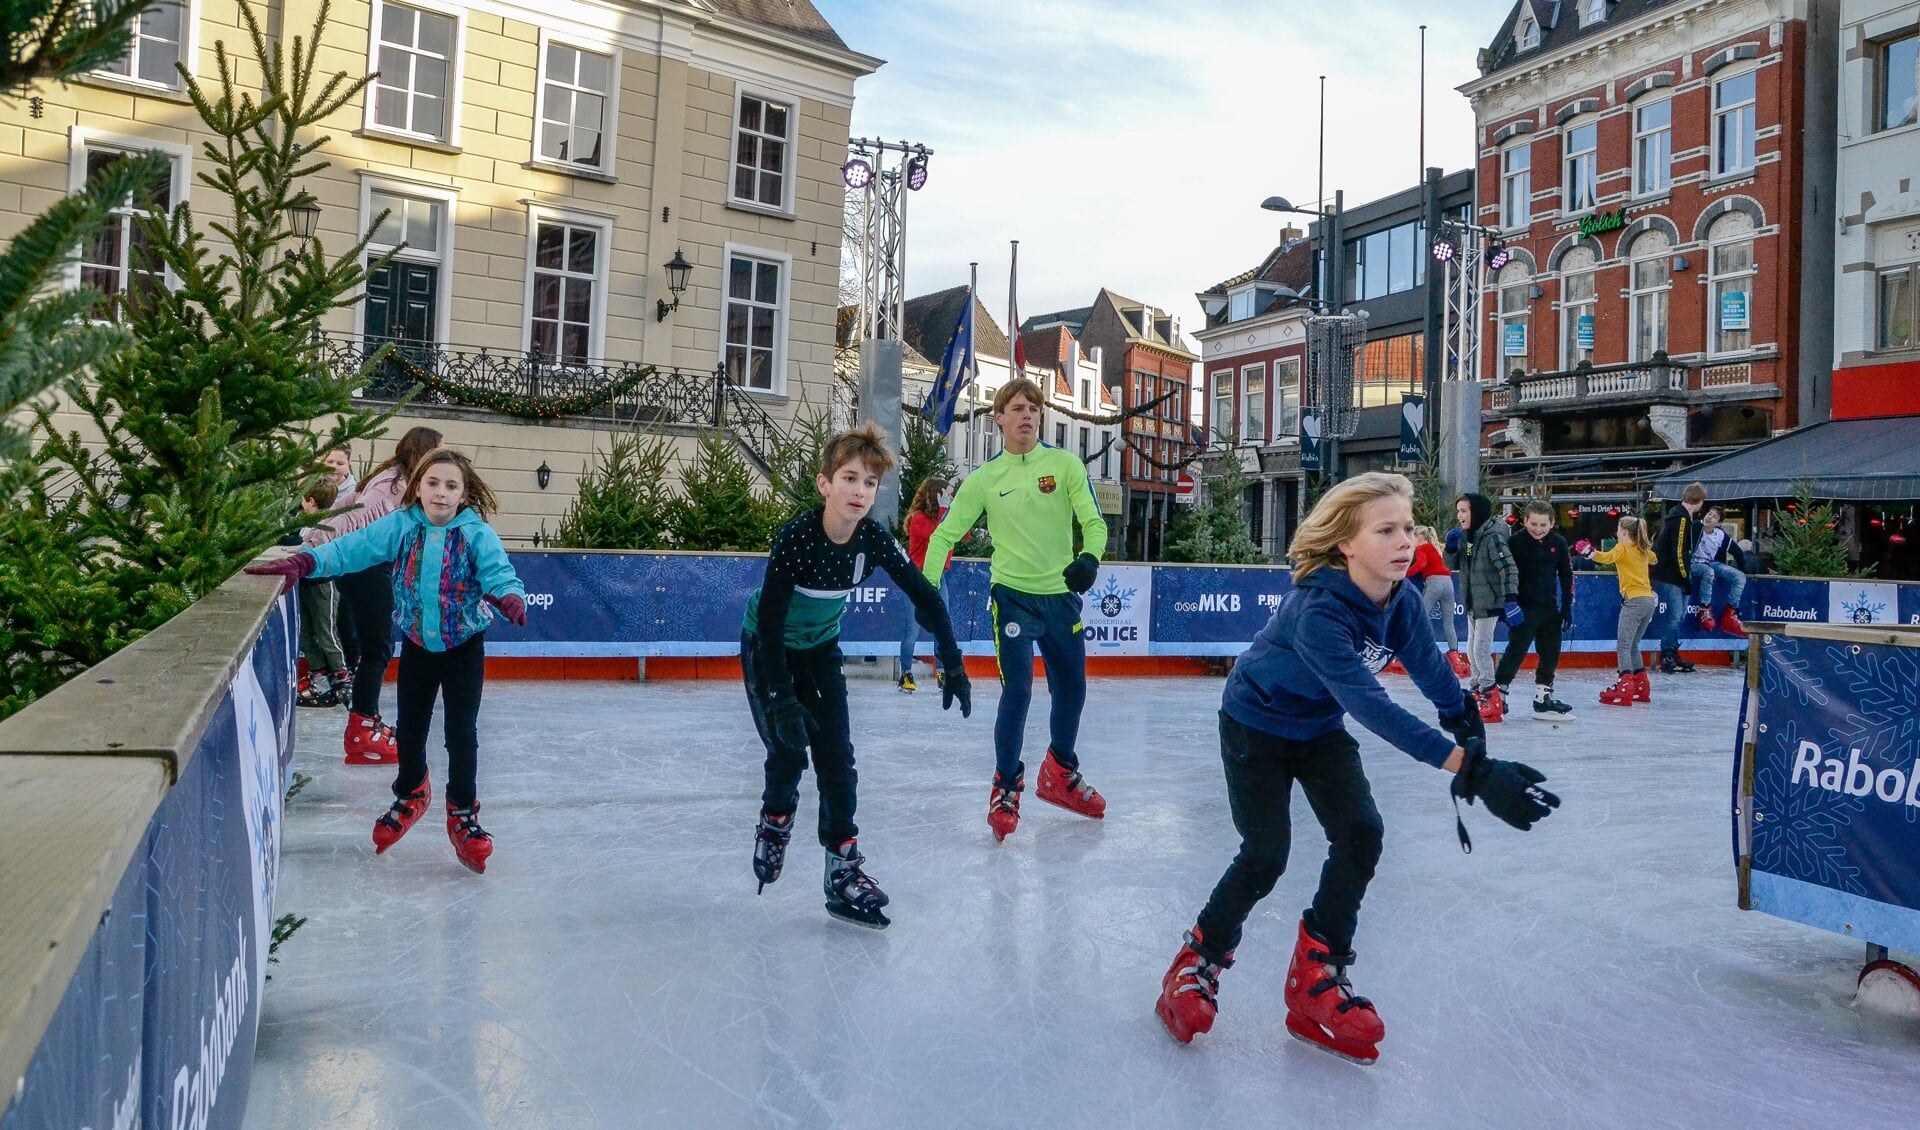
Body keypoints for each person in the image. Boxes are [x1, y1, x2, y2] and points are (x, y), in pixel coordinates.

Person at [1152, 472, 1559, 1063]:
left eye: (1409, 528)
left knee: (1361, 832)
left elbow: (1431, 669)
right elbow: (1369, 704)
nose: (1405, 542)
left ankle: (1316, 977)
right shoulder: (1317, 610)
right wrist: (1465, 770)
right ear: (1345, 542)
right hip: (1256, 724)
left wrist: (1467, 727)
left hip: (1316, 729)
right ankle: (1195, 963)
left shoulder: (1403, 602)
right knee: (1266, 853)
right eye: (1386, 530)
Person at [250, 448, 527, 874]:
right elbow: (349, 550)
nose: (441, 492)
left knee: (461, 734)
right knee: (411, 731)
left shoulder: (476, 534)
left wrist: (509, 595)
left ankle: (463, 814)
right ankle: (412, 791)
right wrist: (306, 560)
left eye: (451, 485)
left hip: (464, 647)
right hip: (418, 645)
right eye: (433, 483)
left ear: (464, 494)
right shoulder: (400, 527)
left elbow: (498, 571)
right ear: (417, 488)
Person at [742, 424, 973, 929]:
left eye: (869, 483)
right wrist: (781, 699)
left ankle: (842, 870)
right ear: (825, 484)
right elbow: (771, 619)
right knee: (788, 751)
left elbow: (925, 594)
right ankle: (775, 822)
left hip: (822, 651)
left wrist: (952, 662)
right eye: (849, 479)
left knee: (838, 761)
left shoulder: (871, 539)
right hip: (768, 649)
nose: (860, 492)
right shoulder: (797, 538)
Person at [921, 377, 1110, 841]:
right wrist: (927, 590)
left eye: (1033, 408)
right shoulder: (985, 479)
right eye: (1017, 408)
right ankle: (1006, 785)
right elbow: (943, 535)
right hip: (1012, 597)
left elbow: (1093, 521)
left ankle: (1060, 771)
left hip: (1060, 596)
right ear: (999, 418)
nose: (1026, 414)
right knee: (1019, 691)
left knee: (1073, 687)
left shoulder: (1064, 465)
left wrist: (1089, 558)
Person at [306, 426, 443, 764]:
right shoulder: (393, 484)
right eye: (438, 451)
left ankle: (365, 722)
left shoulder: (396, 478)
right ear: (422, 451)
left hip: (365, 566)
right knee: (378, 647)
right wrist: (314, 548)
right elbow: (355, 517)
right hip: (363, 567)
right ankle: (362, 727)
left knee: (376, 645)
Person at [1491, 501, 1576, 721]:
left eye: (1543, 524)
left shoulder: (1558, 542)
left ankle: (1543, 696)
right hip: (1523, 608)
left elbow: (1566, 575)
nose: (1538, 529)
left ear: (1552, 523)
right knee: (1516, 651)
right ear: (1525, 520)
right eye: (1534, 523)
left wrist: (1566, 607)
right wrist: (1506, 605)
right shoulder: (1515, 542)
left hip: (1549, 608)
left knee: (1550, 652)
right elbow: (1504, 574)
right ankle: (1499, 694)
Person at [1446, 493, 1522, 723]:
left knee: (1480, 650)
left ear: (1476, 512)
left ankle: (1491, 693)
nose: (1459, 515)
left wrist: (1510, 598)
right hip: (1472, 601)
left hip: (1489, 601)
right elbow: (1453, 565)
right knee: (1471, 650)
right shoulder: (1469, 538)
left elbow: (1508, 568)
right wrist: (1451, 548)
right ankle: (1477, 690)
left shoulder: (1492, 538)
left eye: (1464, 511)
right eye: (1458, 511)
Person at [1578, 515, 1658, 707]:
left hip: (1634, 600)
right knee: (1633, 645)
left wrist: (1589, 553)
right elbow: (1654, 559)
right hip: (1648, 601)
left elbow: (1607, 558)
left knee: (1623, 645)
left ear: (1623, 532)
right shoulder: (1643, 550)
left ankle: (1625, 686)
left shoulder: (1622, 548)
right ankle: (1641, 686)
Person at [294, 481, 353, 708]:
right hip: (306, 585)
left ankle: (342, 676)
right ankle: (319, 677)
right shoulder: (307, 526)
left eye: (302, 501)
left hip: (323, 585)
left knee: (326, 631)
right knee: (307, 633)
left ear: (311, 502)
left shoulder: (326, 525)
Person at [896, 476, 953, 692]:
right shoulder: (918, 519)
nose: (951, 497)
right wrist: (943, 513)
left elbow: (962, 535)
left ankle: (943, 671)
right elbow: (938, 536)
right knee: (912, 628)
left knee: (941, 625)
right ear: (937, 496)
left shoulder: (947, 517)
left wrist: (950, 512)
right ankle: (906, 673)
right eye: (948, 494)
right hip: (917, 577)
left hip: (939, 577)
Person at [1650, 482, 1707, 674]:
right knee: (1675, 615)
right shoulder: (1681, 519)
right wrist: (1685, 579)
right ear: (1698, 500)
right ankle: (1667, 653)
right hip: (1670, 574)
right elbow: (1679, 552)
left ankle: (1672, 650)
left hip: (1673, 573)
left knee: (1680, 614)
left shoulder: (1681, 517)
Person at [1408, 525, 1469, 677]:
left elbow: (1421, 564)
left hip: (1434, 583)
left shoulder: (1423, 547)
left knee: (1421, 618)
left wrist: (1405, 574)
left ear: (1420, 538)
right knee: (1448, 622)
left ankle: (1419, 653)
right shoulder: (1438, 547)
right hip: (1448, 584)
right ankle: (1455, 656)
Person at [1691, 506, 1749, 639]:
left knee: (1740, 577)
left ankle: (1730, 612)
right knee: (1708, 572)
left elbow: (1738, 552)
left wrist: (1742, 568)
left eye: (1714, 517)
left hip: (1712, 562)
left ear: (1718, 523)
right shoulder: (1694, 527)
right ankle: (1704, 608)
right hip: (1694, 562)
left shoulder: (1720, 535)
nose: (1709, 517)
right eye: (1709, 513)